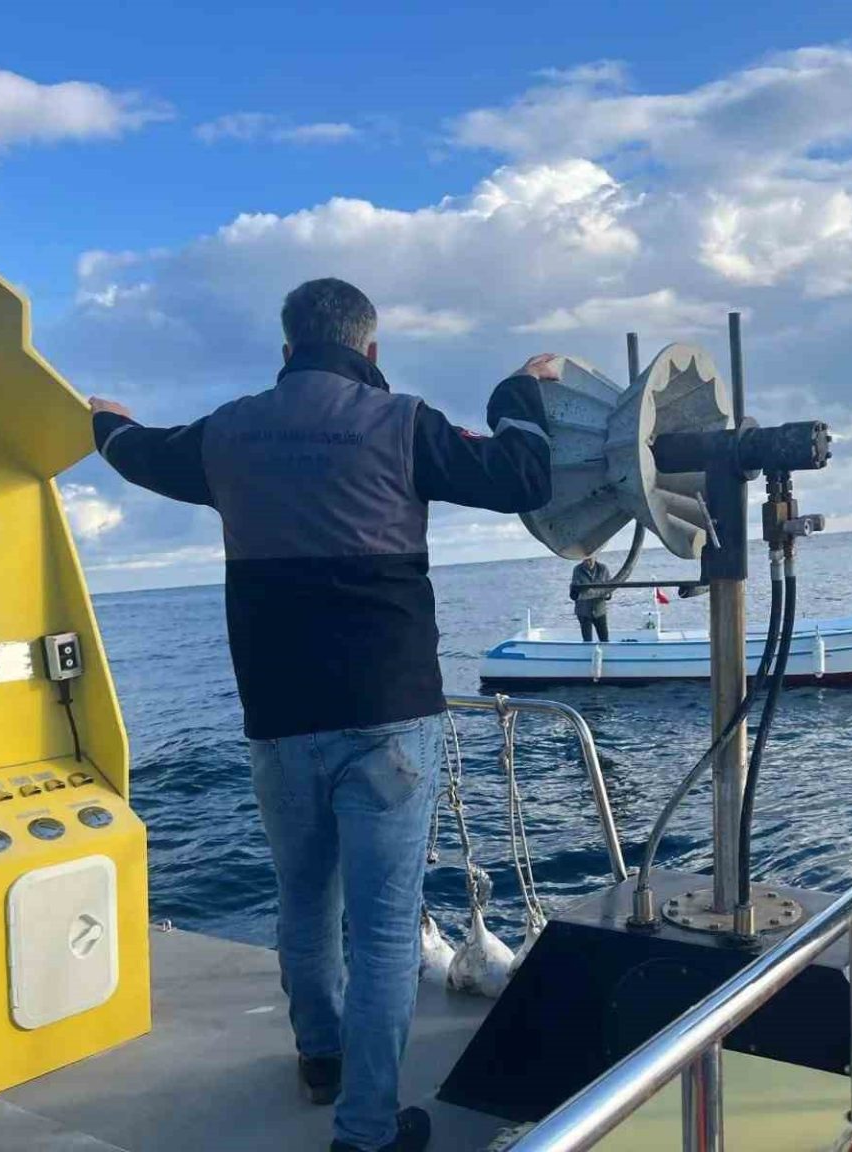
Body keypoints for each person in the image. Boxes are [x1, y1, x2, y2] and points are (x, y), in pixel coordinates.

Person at [89, 278, 559, 1152]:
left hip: (279, 720)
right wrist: (519, 391)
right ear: (370, 350)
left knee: (303, 904)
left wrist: (105, 422)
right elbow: (521, 475)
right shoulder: (402, 421)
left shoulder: (229, 431)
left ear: (286, 349)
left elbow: (139, 453)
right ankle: (367, 1130)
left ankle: (321, 1058)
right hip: (388, 717)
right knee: (383, 931)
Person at [570, 553, 613, 641]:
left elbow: (609, 589)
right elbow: (575, 592)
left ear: (595, 557)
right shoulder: (577, 569)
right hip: (583, 611)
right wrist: (598, 592)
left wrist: (606, 593)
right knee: (587, 640)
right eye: (585, 560)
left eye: (590, 560)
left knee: (604, 639)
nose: (587, 562)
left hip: (599, 610)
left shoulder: (603, 568)